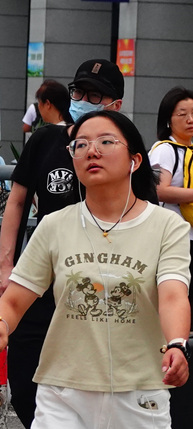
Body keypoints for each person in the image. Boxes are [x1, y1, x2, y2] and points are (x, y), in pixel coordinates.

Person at [0, 110, 191, 428]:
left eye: (106, 141)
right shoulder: (55, 225)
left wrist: (177, 344)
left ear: (135, 160)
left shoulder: (166, 226)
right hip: (62, 391)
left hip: (139, 392)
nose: (92, 150)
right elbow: (14, 300)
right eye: (81, 144)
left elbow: (172, 295)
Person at [0, 58, 125, 429]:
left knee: (89, 382)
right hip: (40, 277)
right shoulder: (46, 140)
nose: (83, 100)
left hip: (95, 283)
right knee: (24, 380)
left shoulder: (122, 148)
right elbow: (18, 202)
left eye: (95, 96)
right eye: (79, 92)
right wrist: (7, 266)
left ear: (115, 105)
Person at [148, 86, 193, 330]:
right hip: (171, 237)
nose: (191, 120)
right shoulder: (164, 150)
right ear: (168, 119)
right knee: (170, 300)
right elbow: (159, 190)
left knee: (188, 302)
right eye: (182, 114)